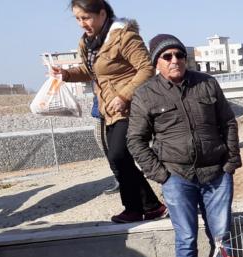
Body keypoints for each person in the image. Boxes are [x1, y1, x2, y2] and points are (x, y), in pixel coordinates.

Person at [127, 34, 241, 257]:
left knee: (223, 234)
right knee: (187, 237)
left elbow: (227, 121)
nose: (175, 60)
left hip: (216, 173)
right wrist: (162, 175)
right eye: (167, 57)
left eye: (179, 55)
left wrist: (231, 162)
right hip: (177, 177)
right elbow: (136, 141)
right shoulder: (145, 94)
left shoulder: (206, 84)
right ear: (157, 63)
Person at [53, 0, 165, 223]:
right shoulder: (88, 42)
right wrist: (66, 74)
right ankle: (147, 206)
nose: (82, 24)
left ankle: (139, 207)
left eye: (86, 18)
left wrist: (125, 95)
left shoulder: (125, 37)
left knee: (118, 155)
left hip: (133, 106)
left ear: (102, 14)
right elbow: (90, 70)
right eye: (77, 19)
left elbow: (147, 68)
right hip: (109, 109)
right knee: (118, 159)